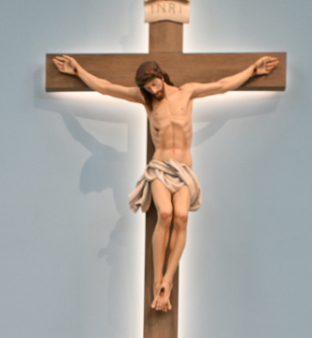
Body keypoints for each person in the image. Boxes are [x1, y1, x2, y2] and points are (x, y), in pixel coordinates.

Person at [52, 54, 278, 312]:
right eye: (147, 87)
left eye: (154, 84)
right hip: (159, 167)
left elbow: (222, 85)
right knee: (166, 214)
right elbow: (106, 88)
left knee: (181, 217)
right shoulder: (145, 100)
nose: (152, 90)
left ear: (161, 75)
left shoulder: (187, 92)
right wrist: (78, 71)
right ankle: (156, 278)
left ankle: (167, 281)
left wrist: (253, 70)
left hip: (183, 170)